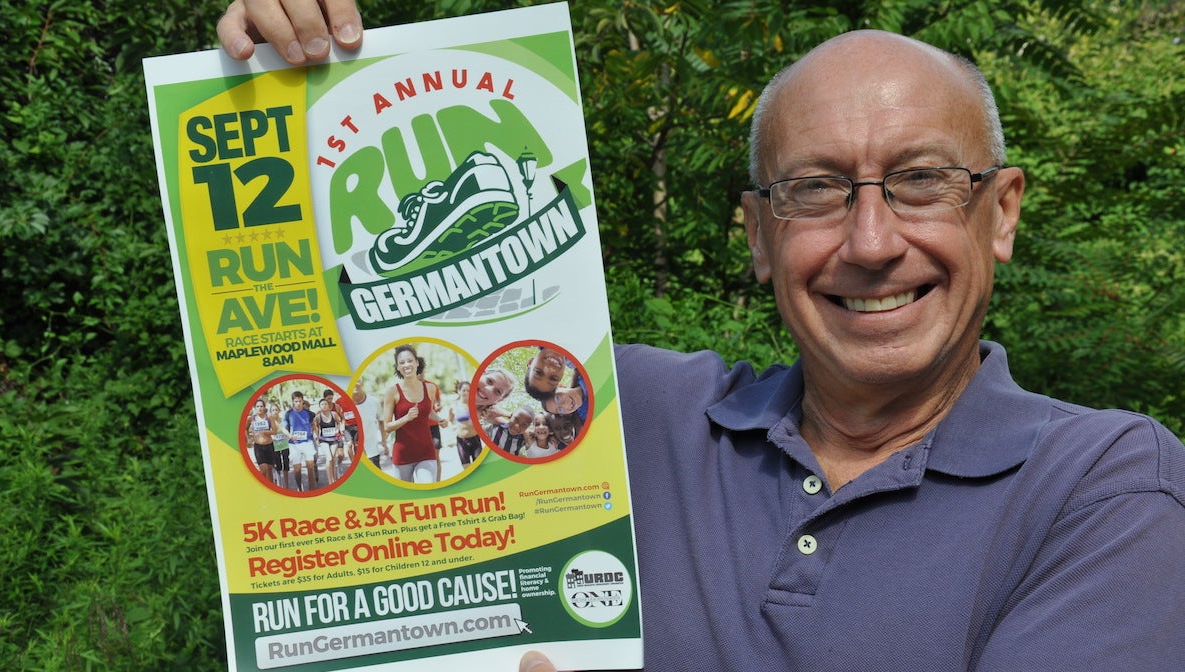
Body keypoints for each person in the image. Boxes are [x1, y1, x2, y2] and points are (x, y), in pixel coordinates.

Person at [219, 7, 1185, 671]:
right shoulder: (624, 415)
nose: (872, 242)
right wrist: (282, 92)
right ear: (760, 237)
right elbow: (331, 399)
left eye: (921, 180)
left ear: (1001, 212)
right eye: (813, 191)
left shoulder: (1106, 489)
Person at [382, 345, 443, 483]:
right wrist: (406, 418)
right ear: (397, 367)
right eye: (402, 363)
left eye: (410, 361)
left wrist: (440, 419)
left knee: (426, 490)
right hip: (403, 455)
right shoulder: (392, 392)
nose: (406, 365)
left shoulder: (430, 388)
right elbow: (387, 426)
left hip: (426, 452)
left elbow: (428, 413)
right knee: (407, 499)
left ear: (417, 362)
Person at [283, 390, 317, 492]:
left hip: (307, 442)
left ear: (303, 401)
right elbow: (284, 428)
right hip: (294, 444)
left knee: (310, 466)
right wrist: (289, 435)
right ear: (293, 402)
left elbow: (314, 425)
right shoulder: (288, 414)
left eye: (300, 401)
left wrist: (315, 433)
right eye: (296, 401)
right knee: (297, 469)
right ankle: (299, 488)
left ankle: (312, 490)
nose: (298, 403)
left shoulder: (309, 413)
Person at [352, 377, 387, 469]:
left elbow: (381, 421)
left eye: (357, 381)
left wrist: (384, 442)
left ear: (362, 383)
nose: (355, 384)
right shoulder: (345, 404)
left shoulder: (373, 401)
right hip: (355, 452)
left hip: (372, 450)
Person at [244, 397, 280, 483]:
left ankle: (271, 487)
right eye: (257, 406)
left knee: (270, 469)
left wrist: (265, 432)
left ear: (264, 407)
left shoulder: (269, 417)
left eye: (261, 406)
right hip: (258, 447)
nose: (259, 408)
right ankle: (263, 485)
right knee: (263, 469)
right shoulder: (251, 418)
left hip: (269, 445)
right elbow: (245, 428)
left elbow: (275, 431)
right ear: (255, 408)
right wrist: (248, 437)